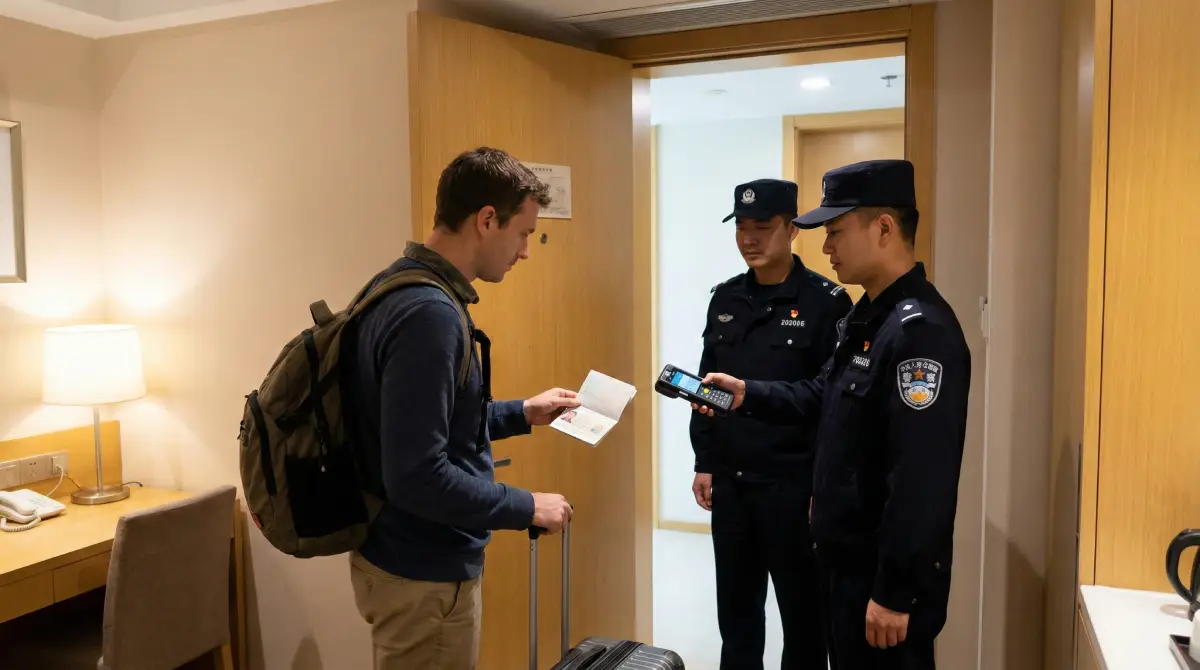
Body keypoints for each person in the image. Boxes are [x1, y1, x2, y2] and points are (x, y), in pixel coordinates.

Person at [694, 160, 971, 669]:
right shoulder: (870, 318)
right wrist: (745, 393)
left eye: (836, 232)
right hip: (844, 561)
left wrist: (894, 590)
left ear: (884, 228)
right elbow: (821, 394)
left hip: (877, 581)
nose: (825, 248)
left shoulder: (918, 332)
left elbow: (920, 479)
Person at [340, 147, 578, 670]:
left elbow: (425, 425)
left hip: (398, 558)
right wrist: (525, 506)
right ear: (487, 220)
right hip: (423, 574)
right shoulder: (429, 315)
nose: (525, 252)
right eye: (523, 233)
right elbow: (418, 475)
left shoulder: (396, 283)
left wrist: (521, 412)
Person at [691, 178, 852, 670]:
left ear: (792, 229)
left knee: (805, 623)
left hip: (794, 488)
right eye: (741, 227)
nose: (749, 239)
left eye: (762, 227)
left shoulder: (828, 304)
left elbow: (831, 407)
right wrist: (705, 461)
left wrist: (821, 488)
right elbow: (706, 388)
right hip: (734, 488)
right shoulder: (725, 299)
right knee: (737, 622)